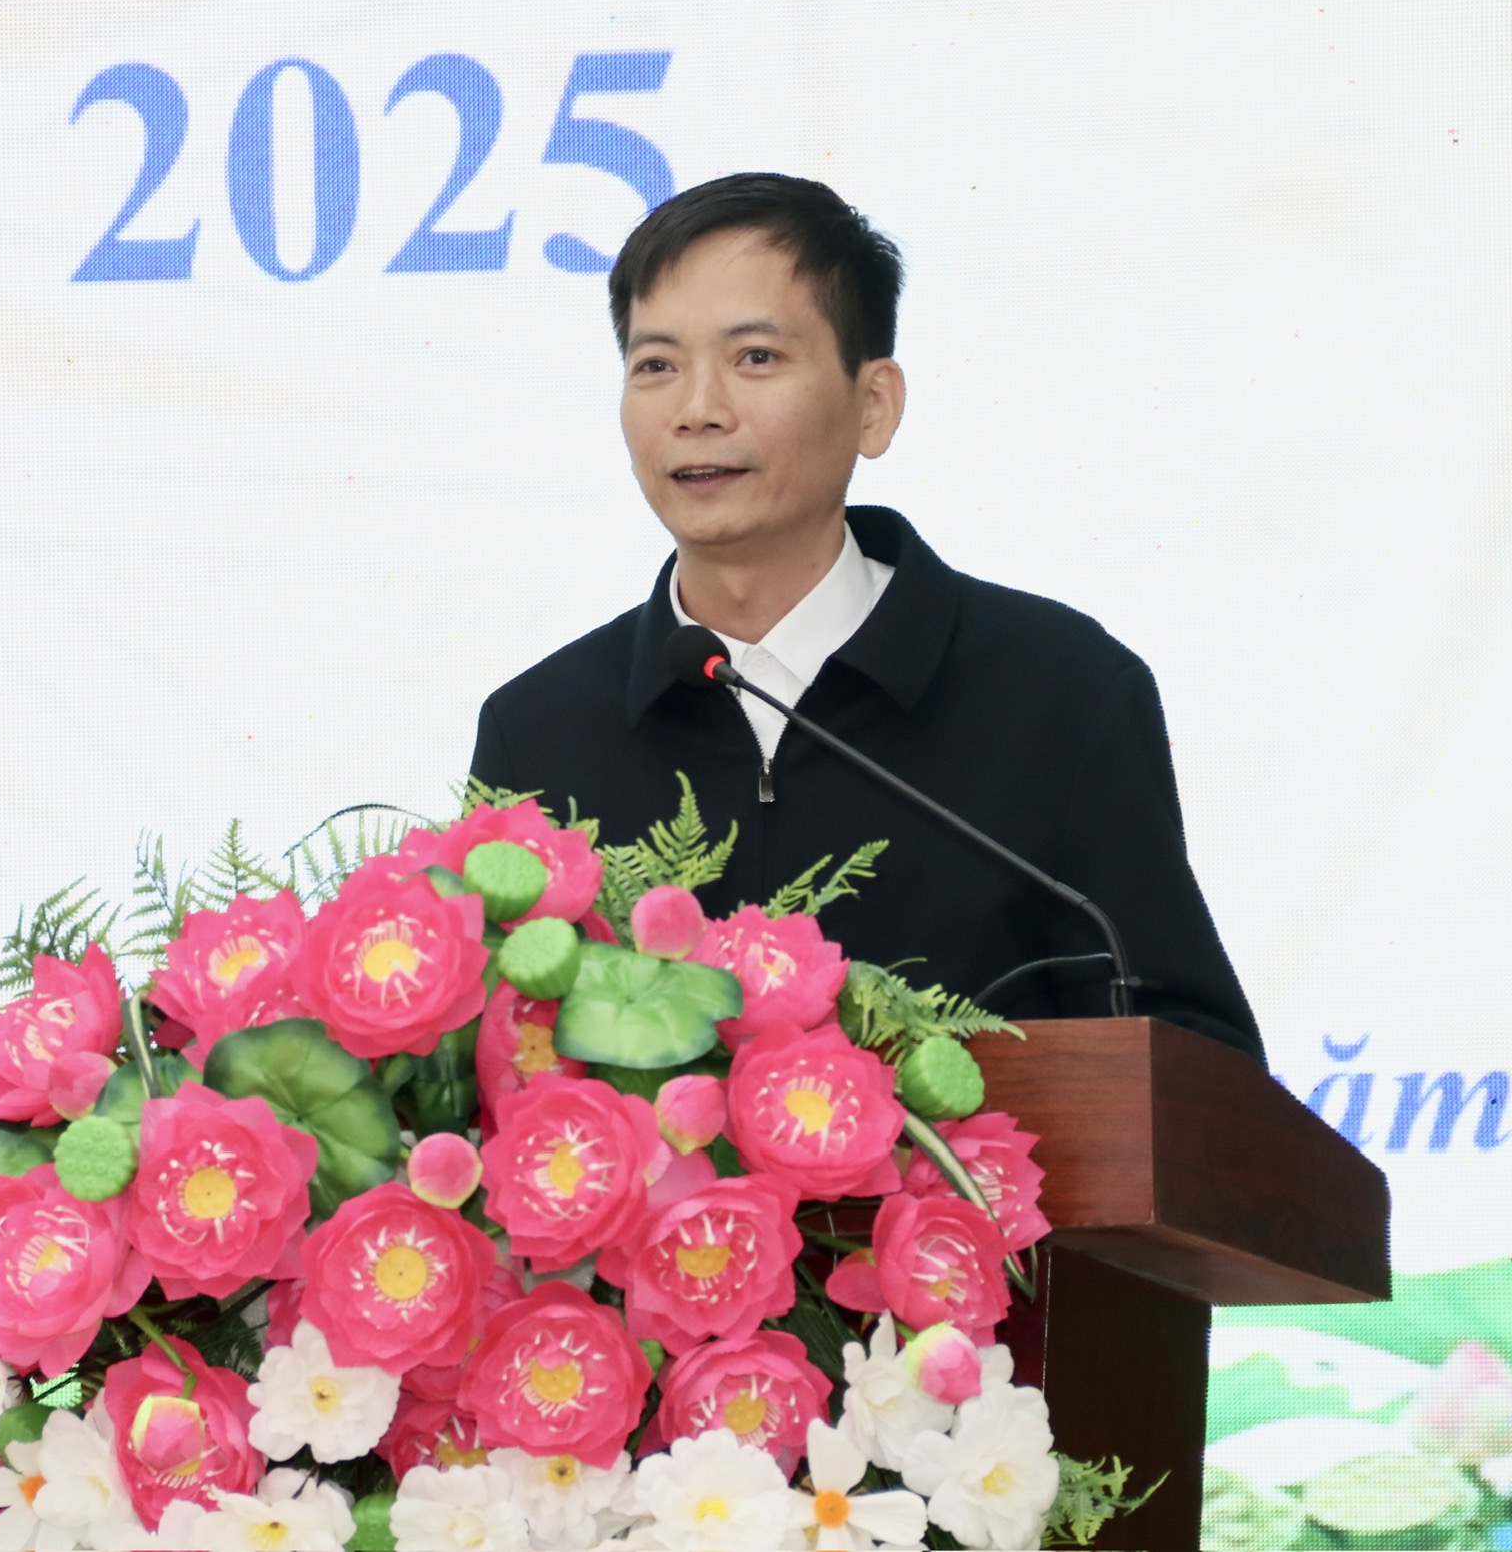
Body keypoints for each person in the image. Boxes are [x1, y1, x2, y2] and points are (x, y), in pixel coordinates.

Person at [468, 173, 1265, 1062]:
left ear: (873, 404)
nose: (697, 411)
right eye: (657, 365)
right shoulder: (538, 732)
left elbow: (1194, 1062)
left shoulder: (1060, 692)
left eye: (755, 357)